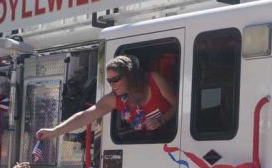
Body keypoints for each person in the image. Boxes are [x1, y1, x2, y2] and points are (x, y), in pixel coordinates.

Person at [36, 55, 177, 141]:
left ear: (129, 76)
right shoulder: (114, 98)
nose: (112, 85)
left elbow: (180, 105)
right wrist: (54, 131)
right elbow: (86, 115)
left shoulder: (154, 80)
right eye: (109, 81)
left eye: (115, 80)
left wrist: (162, 120)